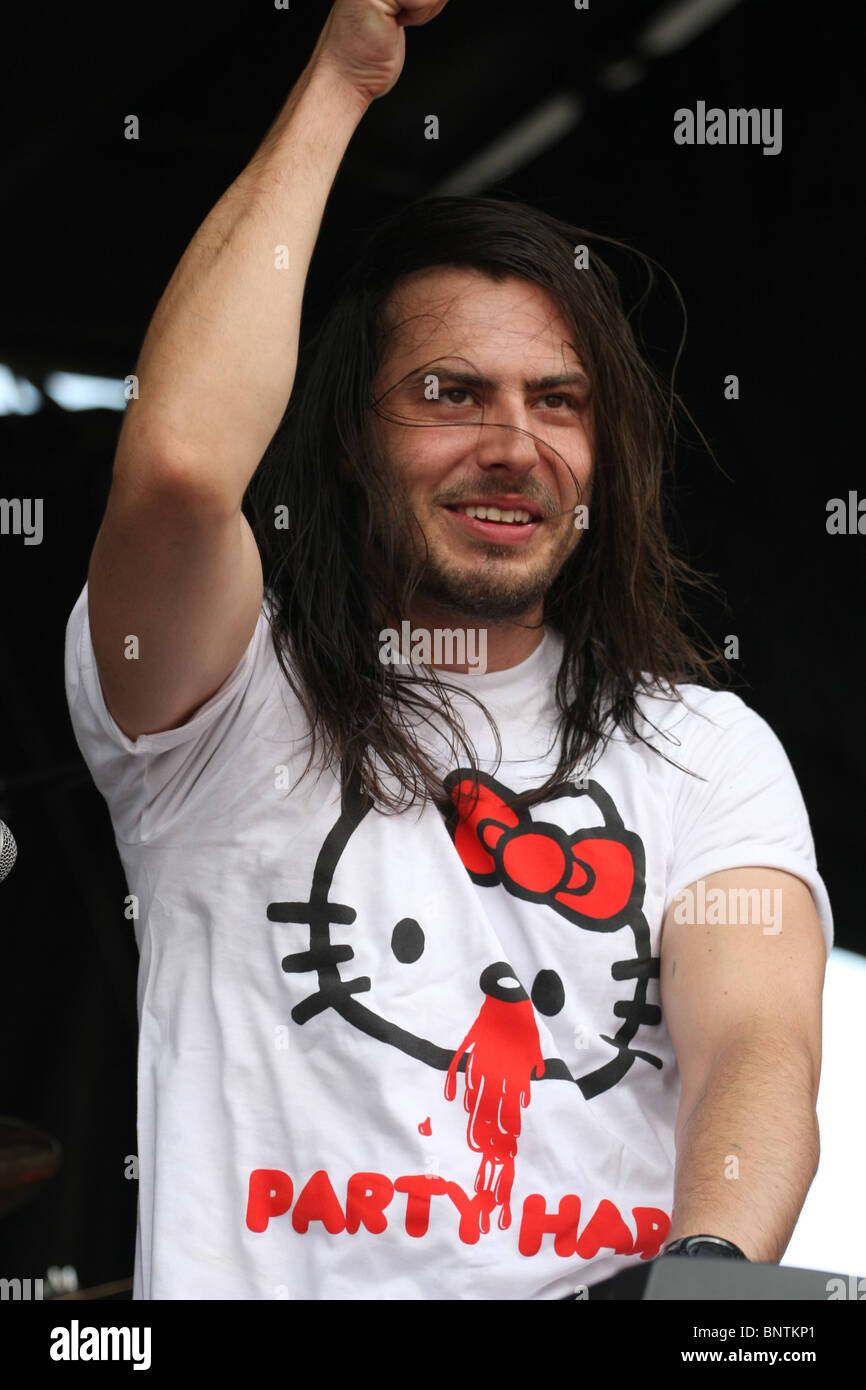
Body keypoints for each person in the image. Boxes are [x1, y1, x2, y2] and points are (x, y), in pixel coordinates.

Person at [64, 0, 831, 1300]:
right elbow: (184, 467)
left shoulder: (705, 747)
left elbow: (753, 1041)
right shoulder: (221, 697)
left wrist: (705, 1282)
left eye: (559, 402)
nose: (512, 443)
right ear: (351, 444)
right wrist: (342, 77)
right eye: (448, 393)